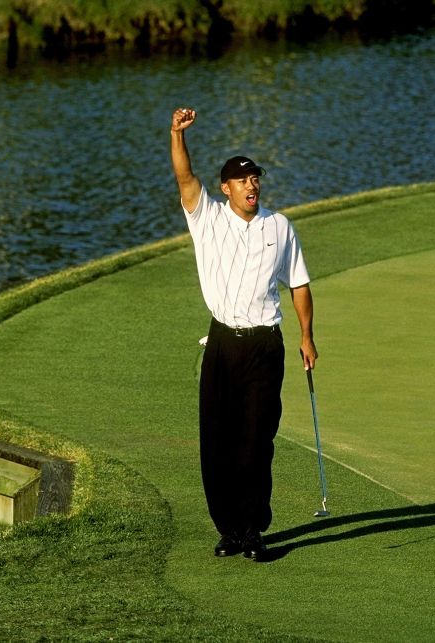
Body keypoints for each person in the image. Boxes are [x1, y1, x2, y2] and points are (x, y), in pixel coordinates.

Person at [169, 106, 318, 561]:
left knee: (256, 439)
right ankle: (229, 531)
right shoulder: (206, 217)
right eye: (243, 180)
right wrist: (177, 134)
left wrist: (307, 335)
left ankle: (253, 531)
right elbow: (184, 176)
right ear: (226, 188)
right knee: (216, 441)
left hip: (263, 345)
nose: (252, 185)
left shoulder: (279, 226)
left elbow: (299, 284)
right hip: (221, 343)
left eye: (256, 178)